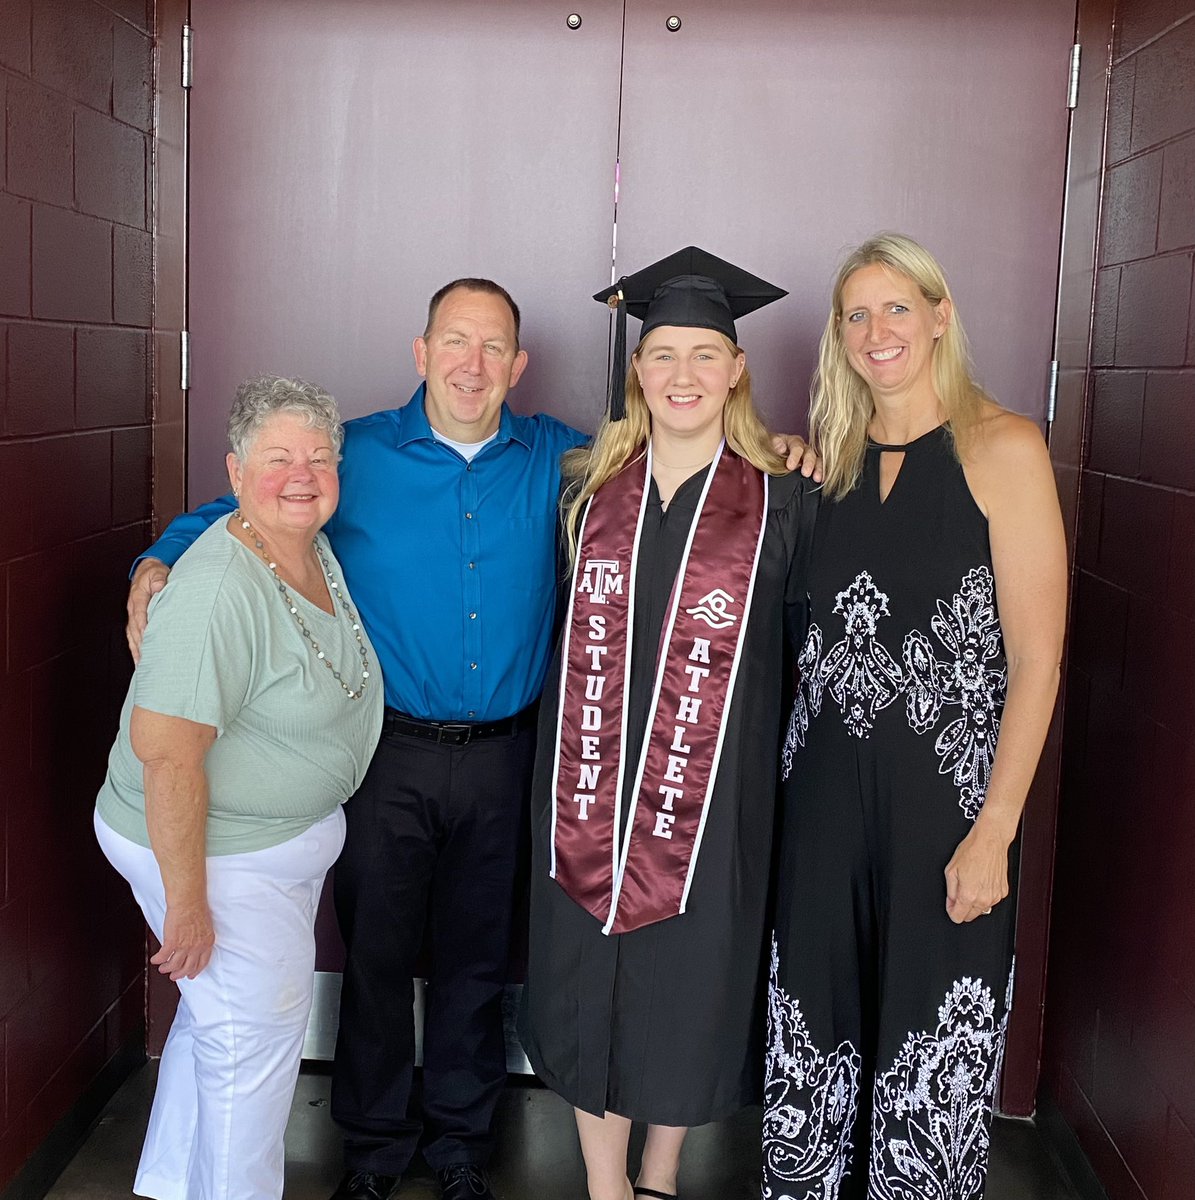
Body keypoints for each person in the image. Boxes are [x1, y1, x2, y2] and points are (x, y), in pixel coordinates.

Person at [126, 279, 817, 1200]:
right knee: (373, 958)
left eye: (494, 348)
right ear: (421, 352)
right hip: (390, 755)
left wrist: (773, 447)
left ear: (518, 366)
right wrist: (158, 558)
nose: (473, 364)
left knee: (477, 964)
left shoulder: (565, 462)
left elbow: (674, 455)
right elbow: (243, 506)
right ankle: (372, 1152)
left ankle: (460, 1148)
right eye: (456, 342)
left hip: (511, 757)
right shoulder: (357, 454)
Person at [762, 233, 1066, 1199]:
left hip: (948, 807)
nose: (876, 330)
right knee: (813, 1040)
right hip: (817, 809)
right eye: (856, 313)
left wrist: (997, 830)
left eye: (897, 307)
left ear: (939, 316)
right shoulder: (828, 466)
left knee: (932, 1053)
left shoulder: (1002, 446)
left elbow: (1037, 658)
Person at [519, 248, 816, 1200]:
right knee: (586, 984)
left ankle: (659, 1176)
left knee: (689, 987)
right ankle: (605, 1187)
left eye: (702, 356)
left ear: (734, 370)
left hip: (714, 806)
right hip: (582, 793)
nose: (680, 376)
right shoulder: (581, 494)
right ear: (636, 374)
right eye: (661, 356)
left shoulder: (788, 501)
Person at [95, 376, 383, 1200]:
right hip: (213, 855)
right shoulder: (218, 586)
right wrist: (187, 904)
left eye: (319, 457)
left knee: (218, 1027)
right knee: (249, 1053)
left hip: (266, 850)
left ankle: (167, 1186)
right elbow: (168, 757)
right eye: (278, 458)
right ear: (234, 470)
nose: (302, 474)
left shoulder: (304, 542)